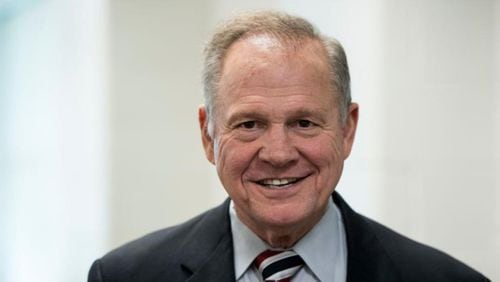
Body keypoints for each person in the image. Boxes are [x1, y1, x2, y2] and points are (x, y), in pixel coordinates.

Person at [88, 11, 489, 282]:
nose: (278, 153)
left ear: (347, 130)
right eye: (249, 124)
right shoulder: (126, 276)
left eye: (304, 123)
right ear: (208, 135)